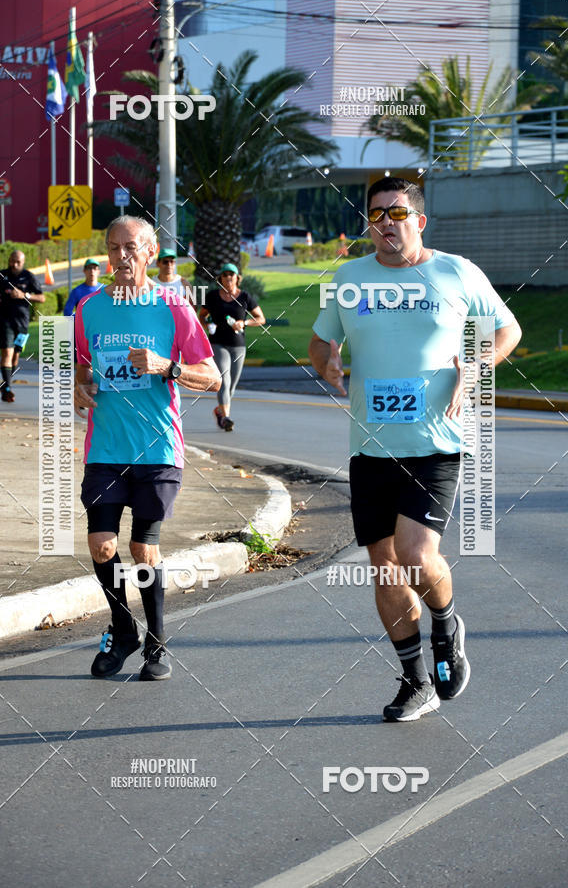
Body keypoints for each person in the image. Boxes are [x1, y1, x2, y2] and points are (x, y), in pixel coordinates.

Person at [309, 176, 521, 722]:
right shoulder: (350, 278)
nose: (386, 223)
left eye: (396, 213)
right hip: (370, 447)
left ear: (418, 221)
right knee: (384, 569)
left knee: (414, 554)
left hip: (436, 442)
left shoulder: (456, 272)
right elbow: (320, 341)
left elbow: (507, 331)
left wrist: (474, 368)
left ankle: (447, 624)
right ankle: (415, 682)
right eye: (376, 215)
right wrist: (326, 361)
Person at [74, 215, 221, 681]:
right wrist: (79, 388)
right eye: (114, 248)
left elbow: (212, 377)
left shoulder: (174, 308)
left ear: (150, 251)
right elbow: (81, 367)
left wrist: (167, 367)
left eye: (131, 247)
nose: (122, 256)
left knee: (143, 549)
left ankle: (157, 644)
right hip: (105, 447)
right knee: (101, 545)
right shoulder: (88, 310)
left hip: (157, 449)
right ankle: (124, 630)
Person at [198, 263, 265, 431]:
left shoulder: (244, 297)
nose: (228, 277)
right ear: (220, 278)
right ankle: (226, 418)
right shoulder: (213, 296)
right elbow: (202, 316)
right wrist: (207, 325)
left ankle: (220, 411)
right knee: (224, 380)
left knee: (232, 384)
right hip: (218, 343)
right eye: (225, 274)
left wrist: (245, 322)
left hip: (238, 345)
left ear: (237, 278)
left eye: (232, 274)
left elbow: (261, 318)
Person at [0, 250, 45, 402]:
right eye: (12, 261)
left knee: (15, 357)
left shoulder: (28, 276)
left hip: (22, 322)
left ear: (23, 262)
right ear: (9, 260)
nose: (14, 264)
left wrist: (24, 295)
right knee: (7, 353)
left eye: (18, 262)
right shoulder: (1, 274)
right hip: (4, 319)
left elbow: (42, 297)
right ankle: (7, 389)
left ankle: (5, 384)